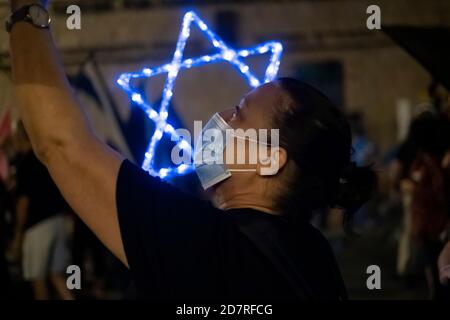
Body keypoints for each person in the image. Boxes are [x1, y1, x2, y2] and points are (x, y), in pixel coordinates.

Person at [8, 0, 376, 300]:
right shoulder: (313, 253)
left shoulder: (198, 237)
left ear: (269, 159)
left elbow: (61, 143)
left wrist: (29, 12)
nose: (218, 118)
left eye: (239, 113)